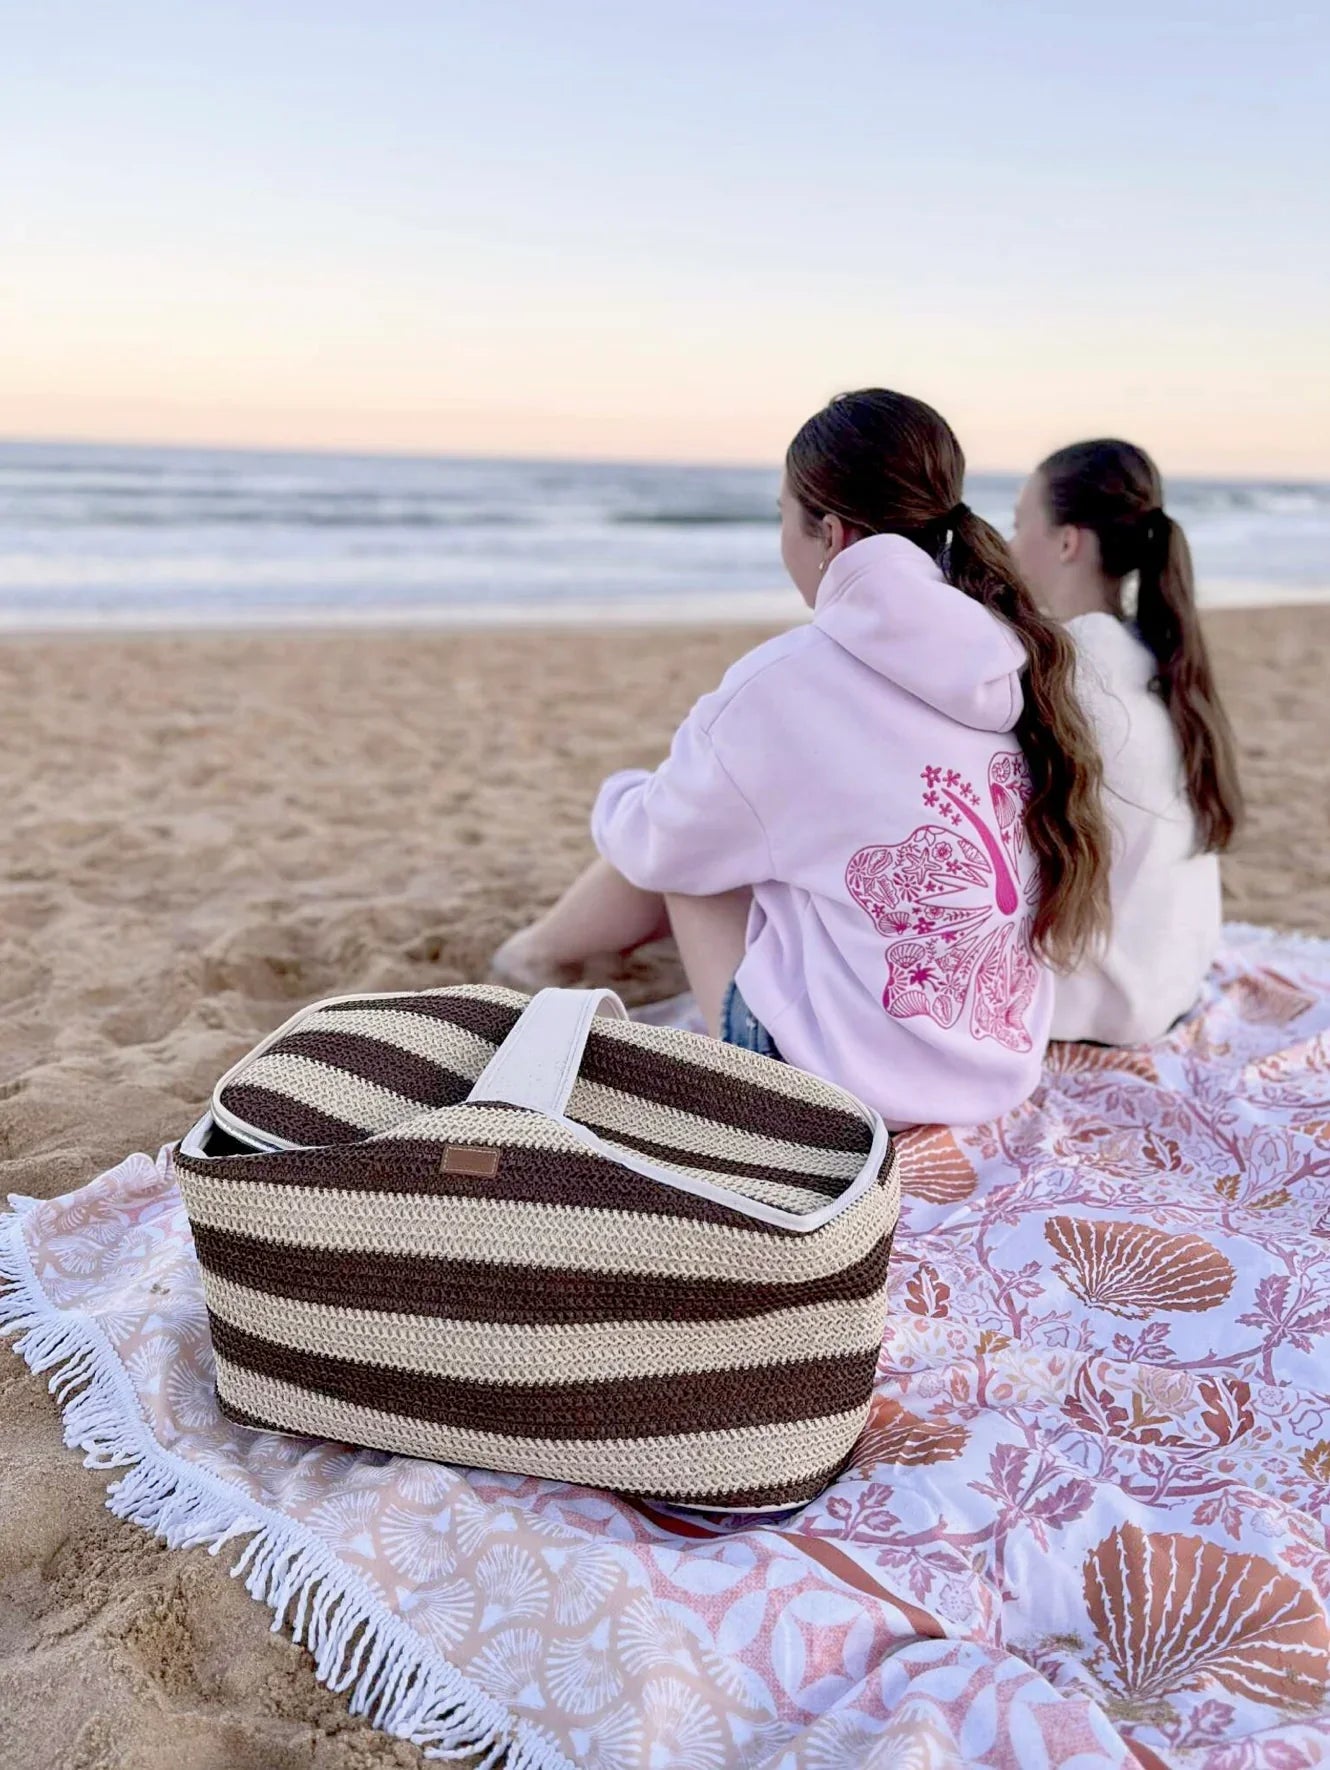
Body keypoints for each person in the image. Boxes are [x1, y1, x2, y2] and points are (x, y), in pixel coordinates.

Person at [494, 390, 1109, 1128]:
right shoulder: (1011, 660)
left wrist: (623, 792)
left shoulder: (786, 682)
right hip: (993, 1071)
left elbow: (657, 844)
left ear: (830, 534)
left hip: (833, 1095)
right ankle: (536, 954)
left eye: (783, 515)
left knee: (687, 843)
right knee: (749, 829)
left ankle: (529, 959)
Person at [1010, 439, 1243, 1044]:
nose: (1009, 545)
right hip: (1170, 981)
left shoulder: (1065, 669)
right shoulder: (1151, 654)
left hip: (1104, 1005)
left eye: (1018, 524)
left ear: (1068, 542)